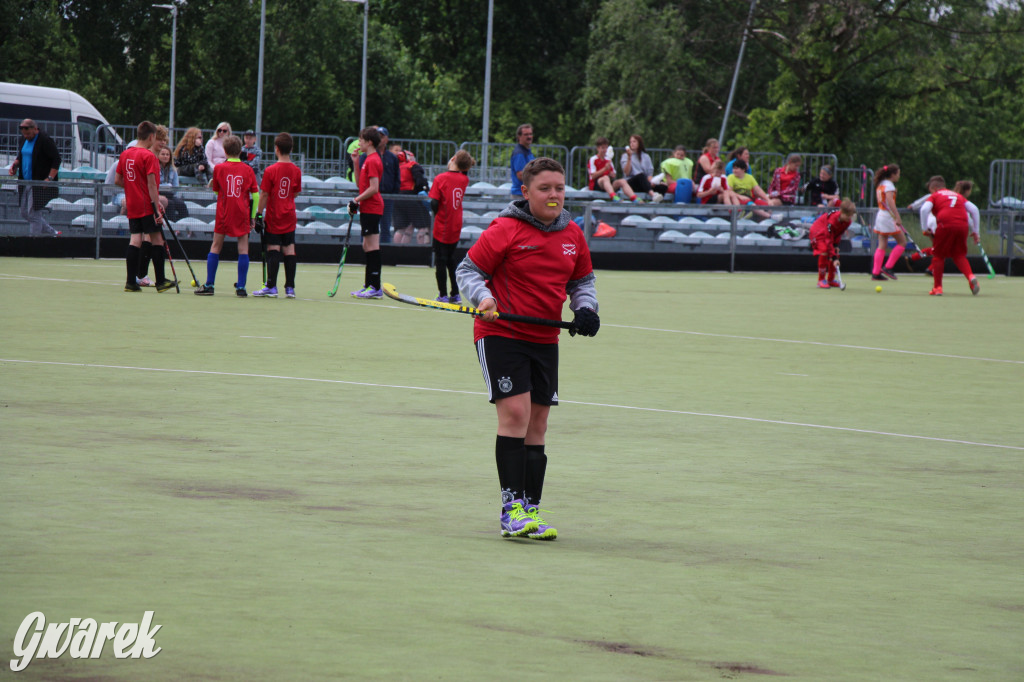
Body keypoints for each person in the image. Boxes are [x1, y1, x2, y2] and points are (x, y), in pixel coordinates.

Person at [455, 157, 600, 541]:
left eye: (559, 188)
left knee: (538, 424)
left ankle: (530, 510)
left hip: (545, 339)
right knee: (516, 414)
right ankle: (511, 511)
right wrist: (484, 298)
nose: (554, 195)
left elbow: (582, 282)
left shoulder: (573, 234)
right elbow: (468, 271)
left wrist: (586, 309)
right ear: (526, 192)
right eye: (544, 188)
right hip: (501, 334)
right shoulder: (506, 228)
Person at [194, 135, 259, 297]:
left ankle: (209, 285)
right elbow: (256, 195)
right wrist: (253, 216)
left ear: (225, 150)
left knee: (216, 246)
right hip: (242, 213)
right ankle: (241, 287)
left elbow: (217, 191)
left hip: (224, 212)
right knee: (243, 249)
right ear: (240, 150)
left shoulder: (219, 168)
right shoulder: (248, 169)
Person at [115, 120, 175, 293]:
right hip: (146, 204)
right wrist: (156, 207)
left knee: (135, 239)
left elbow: (118, 180)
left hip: (132, 203)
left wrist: (133, 188)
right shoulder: (149, 157)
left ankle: (130, 282)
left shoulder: (125, 154)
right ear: (151, 137)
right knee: (157, 240)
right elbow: (152, 185)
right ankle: (161, 281)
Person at [252, 132, 302, 299]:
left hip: (275, 215)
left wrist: (259, 215)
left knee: (273, 248)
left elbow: (264, 194)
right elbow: (295, 193)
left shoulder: (270, 170)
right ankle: (290, 288)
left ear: (277, 149)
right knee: (289, 249)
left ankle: (271, 286)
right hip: (289, 214)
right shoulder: (296, 170)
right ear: (291, 149)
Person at [919, 177, 980, 296]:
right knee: (959, 255)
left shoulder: (935, 196)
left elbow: (924, 210)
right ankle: (971, 277)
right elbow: (974, 210)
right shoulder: (958, 195)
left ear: (934, 188)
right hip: (962, 226)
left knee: (938, 256)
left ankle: (937, 288)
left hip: (945, 225)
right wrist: (976, 232)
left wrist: (924, 229)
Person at [428, 149, 475, 302]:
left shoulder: (440, 178)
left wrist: (437, 214)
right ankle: (455, 293)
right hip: (456, 223)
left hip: (443, 223)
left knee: (440, 260)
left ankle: (442, 294)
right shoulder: (464, 179)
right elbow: (464, 173)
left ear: (453, 158)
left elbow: (434, 203)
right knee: (450, 258)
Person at [348, 126, 385, 299]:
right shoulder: (366, 160)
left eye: (361, 140)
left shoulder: (373, 160)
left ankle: (375, 287)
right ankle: (369, 284)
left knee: (372, 246)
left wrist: (356, 200)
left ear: (369, 142)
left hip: (372, 207)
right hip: (367, 207)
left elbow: (374, 188)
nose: (359, 143)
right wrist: (355, 162)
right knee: (367, 245)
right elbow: (359, 184)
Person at [9, 119, 61, 235]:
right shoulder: (23, 139)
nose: (26, 136)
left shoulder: (44, 140)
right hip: (25, 182)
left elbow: (56, 159)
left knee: (33, 214)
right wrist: (15, 164)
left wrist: (49, 178)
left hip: (39, 182)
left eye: (28, 133)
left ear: (35, 129)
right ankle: (53, 233)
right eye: (24, 134)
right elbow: (21, 155)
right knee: (24, 213)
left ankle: (34, 241)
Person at [809, 199, 856, 288]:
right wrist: (834, 258)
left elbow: (838, 234)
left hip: (828, 234)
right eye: (847, 215)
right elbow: (828, 239)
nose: (849, 218)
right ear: (841, 212)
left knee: (835, 251)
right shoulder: (832, 220)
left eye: (850, 216)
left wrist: (836, 245)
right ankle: (821, 280)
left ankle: (830, 280)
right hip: (817, 231)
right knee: (824, 250)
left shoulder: (847, 221)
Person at [870, 164, 905, 281]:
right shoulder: (889, 185)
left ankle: (876, 273)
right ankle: (888, 267)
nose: (899, 176)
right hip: (888, 216)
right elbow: (890, 202)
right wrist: (897, 217)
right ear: (892, 175)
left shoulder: (881, 184)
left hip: (881, 215)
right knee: (902, 242)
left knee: (882, 244)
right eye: (898, 174)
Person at [391, 144, 431, 245]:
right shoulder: (412, 165)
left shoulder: (396, 167)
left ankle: (396, 251)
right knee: (423, 227)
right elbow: (420, 181)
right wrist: (425, 189)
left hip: (397, 199)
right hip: (410, 198)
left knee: (401, 229)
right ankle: (423, 251)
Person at [374, 126, 400, 243]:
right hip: (373, 196)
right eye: (377, 136)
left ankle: (385, 251)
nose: (379, 139)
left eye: (382, 136)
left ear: (386, 139)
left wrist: (393, 193)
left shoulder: (392, 157)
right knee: (371, 226)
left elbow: (396, 176)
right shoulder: (369, 155)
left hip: (388, 196)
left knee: (386, 227)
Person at [618, 134, 659, 202]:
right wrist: (629, 157)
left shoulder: (646, 156)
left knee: (662, 186)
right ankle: (653, 194)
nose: (632, 144)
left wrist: (652, 182)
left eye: (634, 141)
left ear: (639, 143)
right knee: (640, 175)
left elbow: (649, 174)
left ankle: (657, 203)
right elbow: (627, 173)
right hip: (630, 183)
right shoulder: (625, 156)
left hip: (643, 183)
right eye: (630, 142)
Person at [157, 145, 188, 222]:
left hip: (170, 194)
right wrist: (167, 186)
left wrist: (168, 187)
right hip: (158, 194)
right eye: (163, 154)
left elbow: (175, 186)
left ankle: (185, 225)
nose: (165, 156)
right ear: (158, 155)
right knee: (170, 204)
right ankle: (173, 226)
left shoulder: (173, 169)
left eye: (167, 155)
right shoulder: (155, 167)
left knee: (181, 204)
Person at [587, 137, 619, 201]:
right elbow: (592, 176)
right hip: (596, 185)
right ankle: (614, 197)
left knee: (622, 181)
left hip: (607, 184)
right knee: (605, 178)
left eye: (606, 148)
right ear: (598, 148)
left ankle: (635, 199)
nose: (605, 150)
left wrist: (611, 174)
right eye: (603, 148)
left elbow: (614, 175)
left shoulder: (608, 159)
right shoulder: (593, 159)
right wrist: (605, 169)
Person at [509, 123, 535, 197]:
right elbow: (521, 175)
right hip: (520, 194)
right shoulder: (519, 153)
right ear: (519, 136)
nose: (529, 136)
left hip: (526, 193)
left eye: (530, 134)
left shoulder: (527, 151)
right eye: (526, 134)